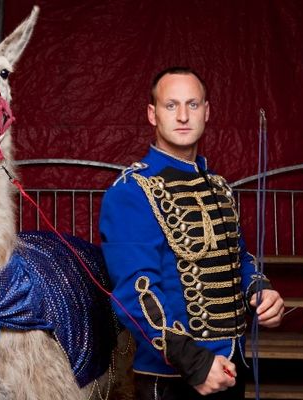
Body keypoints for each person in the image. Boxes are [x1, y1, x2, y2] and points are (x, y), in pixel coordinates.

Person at [99, 66, 284, 399]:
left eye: (193, 104)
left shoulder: (218, 185)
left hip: (231, 364)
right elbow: (134, 293)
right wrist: (195, 363)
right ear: (152, 115)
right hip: (175, 375)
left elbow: (238, 258)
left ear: (207, 111)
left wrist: (261, 289)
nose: (183, 116)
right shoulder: (131, 191)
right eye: (171, 106)